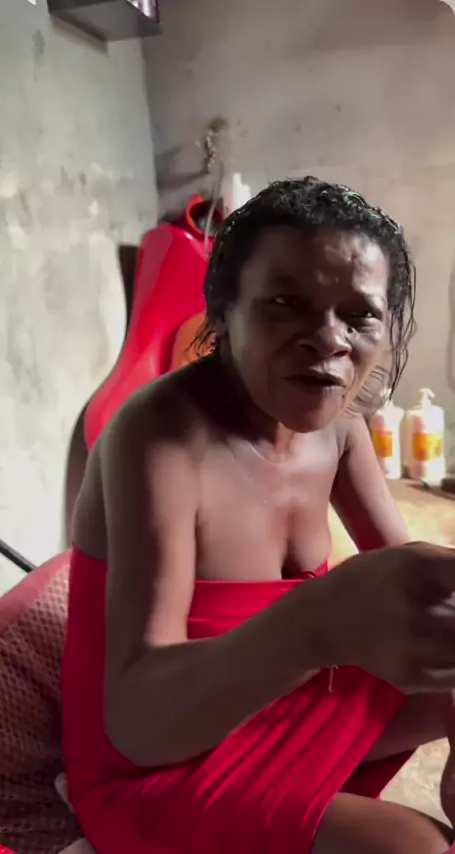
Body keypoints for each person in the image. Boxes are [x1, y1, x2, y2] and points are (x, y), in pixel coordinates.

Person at [62, 177, 455, 854]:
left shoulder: (340, 428)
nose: (327, 341)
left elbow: (425, 604)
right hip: (162, 759)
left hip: (282, 706)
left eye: (359, 316)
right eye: (284, 304)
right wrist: (316, 622)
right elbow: (137, 725)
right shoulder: (158, 440)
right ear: (221, 314)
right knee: (411, 848)